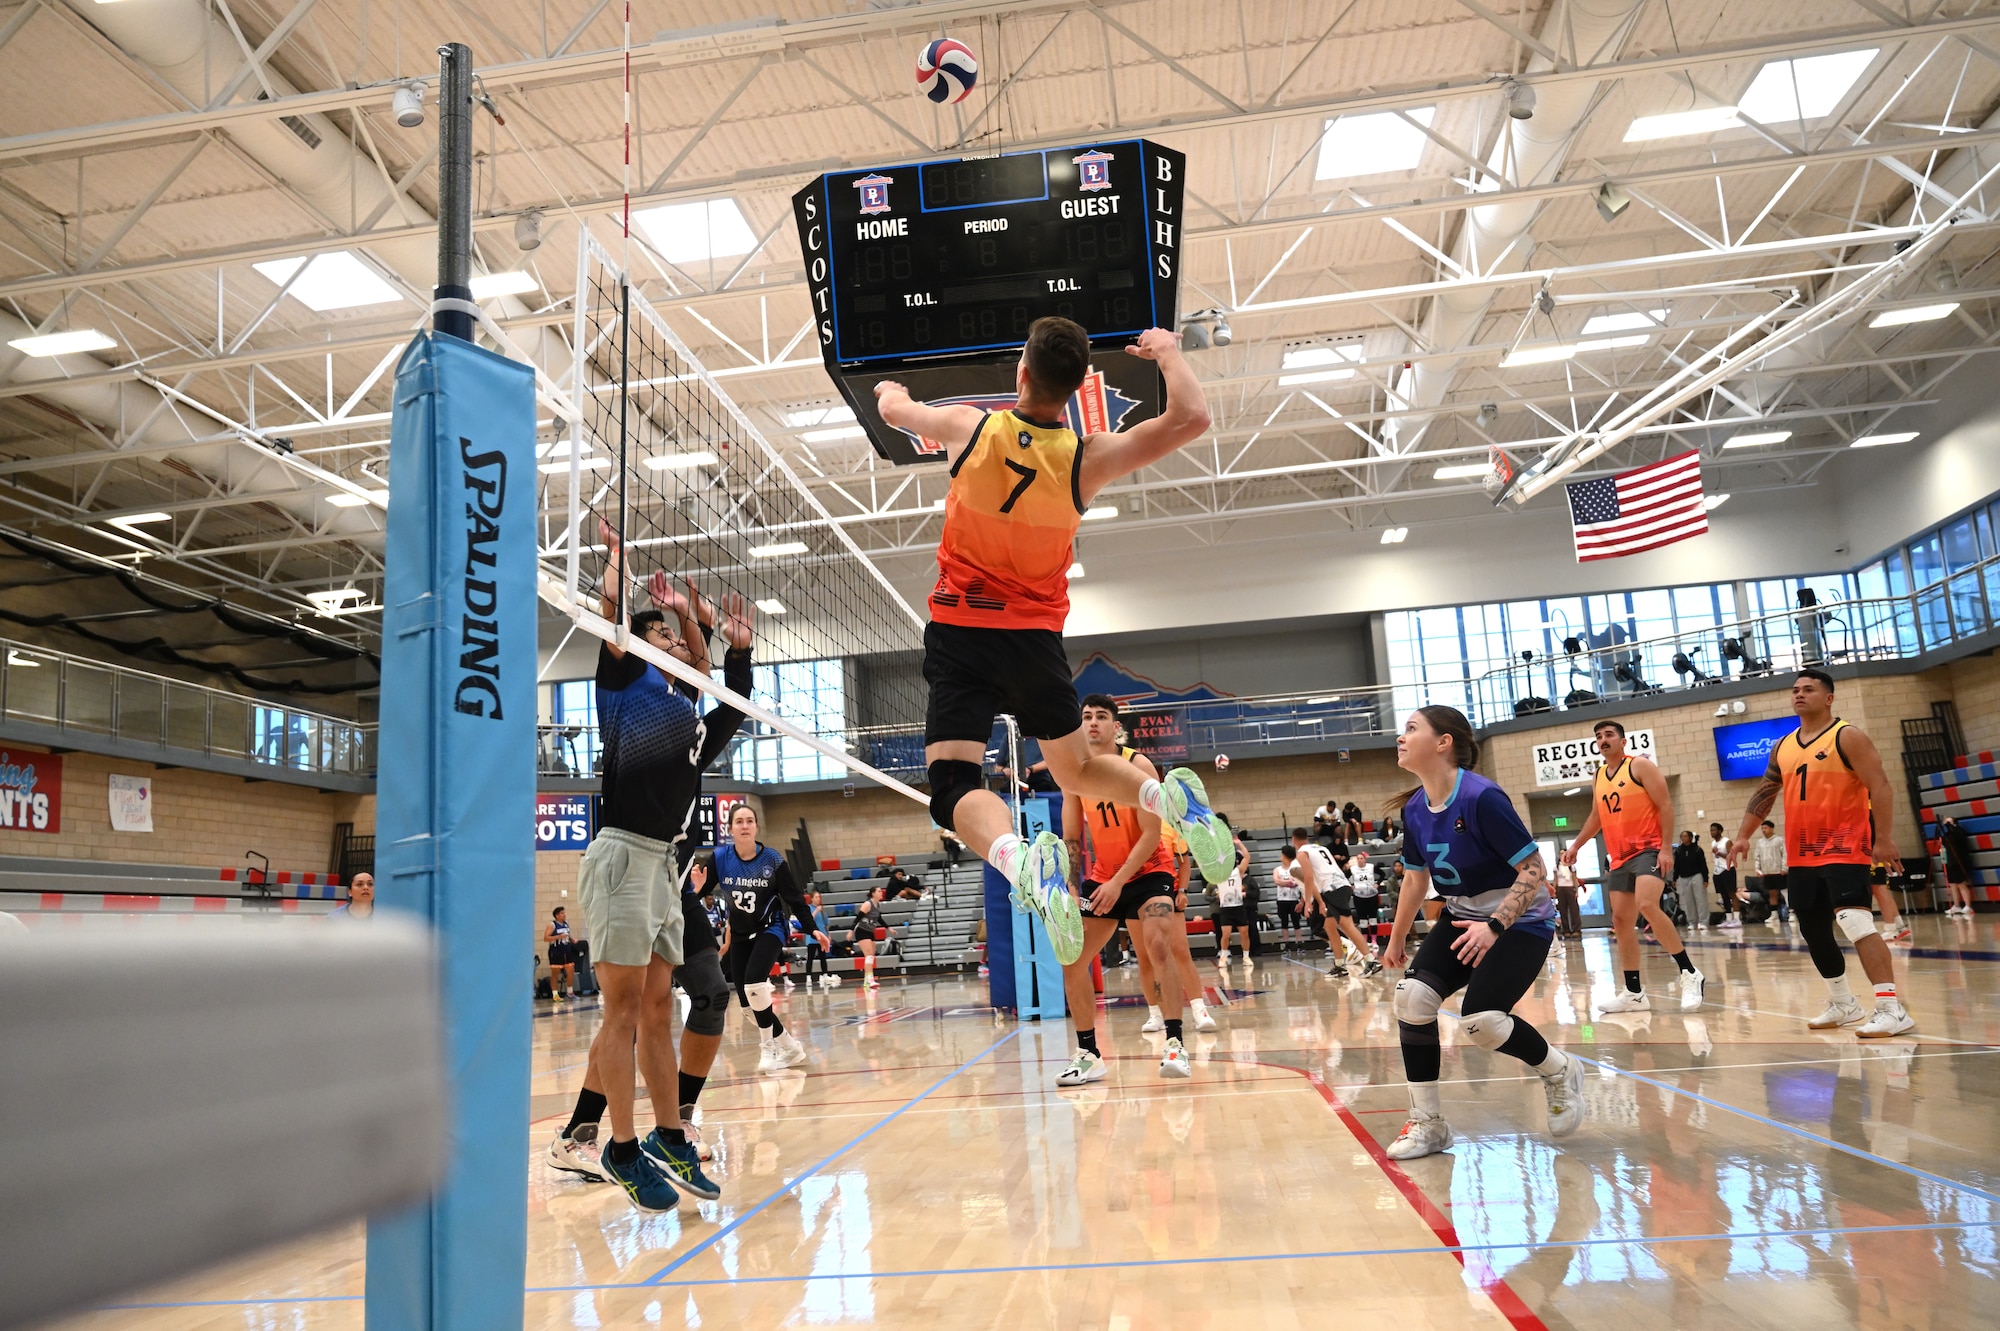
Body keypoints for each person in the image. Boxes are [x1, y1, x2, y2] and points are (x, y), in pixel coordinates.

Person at [874, 319, 1227, 966]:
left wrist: (890, 393)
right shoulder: (1087, 458)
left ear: (1021, 373)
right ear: (1078, 387)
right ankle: (1163, 796)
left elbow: (896, 412)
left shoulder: (969, 427)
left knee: (951, 786)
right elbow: (1192, 418)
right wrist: (1167, 353)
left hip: (962, 631)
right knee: (1079, 771)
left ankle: (1019, 860)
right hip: (1033, 639)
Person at [572, 522, 749, 1211]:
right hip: (622, 852)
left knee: (656, 1009)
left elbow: (720, 687)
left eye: (678, 639)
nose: (678, 645)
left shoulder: (686, 711)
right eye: (667, 637)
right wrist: (617, 560)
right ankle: (618, 1147)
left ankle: (668, 1135)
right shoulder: (626, 681)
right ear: (646, 645)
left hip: (663, 867)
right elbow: (612, 616)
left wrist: (729, 642)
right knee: (620, 1010)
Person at [1380, 705, 1583, 1160]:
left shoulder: (1481, 797)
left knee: (1482, 1022)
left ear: (1443, 742)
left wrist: (1494, 927)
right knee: (1411, 998)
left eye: (1411, 729)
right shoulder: (1415, 809)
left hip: (1522, 921)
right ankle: (1429, 1125)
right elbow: (1415, 879)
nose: (1401, 737)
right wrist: (1396, 938)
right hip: (1461, 915)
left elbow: (1534, 869)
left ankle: (1559, 1071)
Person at [1729, 669, 1914, 1038]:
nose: (1799, 694)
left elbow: (1880, 786)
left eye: (1809, 689)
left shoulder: (1847, 736)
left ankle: (1891, 1008)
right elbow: (1765, 792)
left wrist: (1884, 838)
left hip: (1845, 845)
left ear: (1829, 698)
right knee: (1813, 928)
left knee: (1855, 922)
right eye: (1795, 689)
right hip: (1802, 853)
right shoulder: (1782, 746)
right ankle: (1844, 1003)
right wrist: (1742, 836)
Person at [1055, 695, 1198, 1084]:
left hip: (1150, 871)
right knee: (1071, 958)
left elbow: (1152, 834)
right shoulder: (1073, 773)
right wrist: (1072, 886)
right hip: (1105, 876)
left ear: (1115, 727)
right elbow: (1072, 838)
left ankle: (1175, 1044)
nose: (1093, 722)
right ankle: (1089, 1054)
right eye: (1086, 716)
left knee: (1158, 946)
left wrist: (1119, 883)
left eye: (1101, 716)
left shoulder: (1139, 765)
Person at [1560, 721, 1705, 1013]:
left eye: (1609, 735)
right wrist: (1576, 846)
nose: (1603, 740)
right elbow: (1597, 816)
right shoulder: (1598, 775)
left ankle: (1689, 973)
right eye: (1599, 736)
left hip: (1648, 849)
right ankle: (1634, 993)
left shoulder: (1639, 766)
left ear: (1623, 741)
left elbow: (1665, 805)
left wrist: (1666, 848)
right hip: (1619, 856)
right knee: (1621, 921)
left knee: (1647, 904)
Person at [717, 804, 829, 1071]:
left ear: (756, 826)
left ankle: (769, 1049)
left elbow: (795, 899)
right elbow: (697, 887)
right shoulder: (721, 858)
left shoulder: (772, 860)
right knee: (749, 1008)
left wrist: (812, 928)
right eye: (739, 821)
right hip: (741, 934)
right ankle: (791, 1046)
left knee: (755, 985)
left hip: (771, 928)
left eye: (750, 821)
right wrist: (695, 889)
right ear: (730, 828)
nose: (745, 826)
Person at [1134, 820, 1218, 1035]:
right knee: (1144, 957)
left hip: (1165, 890)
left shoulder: (1169, 824)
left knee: (1180, 951)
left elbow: (1184, 862)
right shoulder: (1128, 822)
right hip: (1133, 891)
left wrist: (1182, 891)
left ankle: (1199, 1009)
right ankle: (1155, 1013)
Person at [1293, 829, 1383, 979]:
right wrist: (1321, 901)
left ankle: (1371, 961)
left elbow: (1308, 877)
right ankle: (1339, 965)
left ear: (1294, 840)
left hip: (1334, 888)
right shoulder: (1320, 848)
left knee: (1347, 925)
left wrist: (1308, 902)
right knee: (1329, 926)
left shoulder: (1302, 853)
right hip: (1341, 885)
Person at [1211, 855, 1252, 967]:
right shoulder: (1218, 874)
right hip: (1226, 907)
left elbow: (1247, 857)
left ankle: (1246, 957)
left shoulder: (1237, 871)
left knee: (1244, 933)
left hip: (1238, 906)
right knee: (1226, 934)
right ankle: (1223, 956)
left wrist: (1239, 845)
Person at [849, 884, 891, 989]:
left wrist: (888, 928)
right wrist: (851, 930)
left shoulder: (878, 905)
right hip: (862, 931)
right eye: (879, 891)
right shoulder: (868, 904)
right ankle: (870, 980)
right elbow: (858, 917)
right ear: (873, 893)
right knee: (868, 955)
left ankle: (867, 980)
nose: (881, 893)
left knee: (871, 956)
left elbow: (879, 918)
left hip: (870, 931)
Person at [1747, 818, 1787, 923]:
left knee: (1785, 893)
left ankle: (1791, 913)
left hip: (1779, 871)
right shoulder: (1760, 842)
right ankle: (1774, 915)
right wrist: (1758, 869)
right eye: (1762, 828)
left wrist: (1784, 867)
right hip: (1767, 872)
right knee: (1772, 893)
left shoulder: (1779, 840)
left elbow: (1785, 854)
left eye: (1765, 828)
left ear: (1772, 829)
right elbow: (1757, 856)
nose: (1764, 830)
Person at [1672, 831, 1711, 933]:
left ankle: (1703, 922)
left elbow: (1703, 865)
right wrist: (1674, 878)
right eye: (1682, 836)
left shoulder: (1697, 849)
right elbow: (1677, 865)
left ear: (1690, 837)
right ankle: (1692, 922)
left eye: (1685, 836)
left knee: (1700, 899)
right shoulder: (1678, 850)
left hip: (1697, 875)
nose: (1683, 838)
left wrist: (1705, 879)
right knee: (1688, 901)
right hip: (1684, 877)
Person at [1941, 816, 1977, 917]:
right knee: (1952, 884)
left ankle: (1968, 906)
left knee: (1961, 884)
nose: (1946, 824)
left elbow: (1959, 840)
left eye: (1948, 822)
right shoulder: (1947, 835)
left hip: (1959, 861)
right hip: (1950, 862)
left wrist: (1951, 827)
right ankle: (1956, 905)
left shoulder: (1959, 832)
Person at [1708, 823, 1739, 930]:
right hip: (1718, 871)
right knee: (1724, 895)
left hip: (1727, 869)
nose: (1712, 832)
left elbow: (1732, 856)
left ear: (1720, 831)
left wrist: (1718, 853)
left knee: (1732, 894)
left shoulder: (1726, 841)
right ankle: (1729, 919)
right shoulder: (1713, 843)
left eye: (1714, 830)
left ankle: (1737, 919)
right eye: (1711, 830)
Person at [1271, 848, 1304, 947]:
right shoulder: (1277, 869)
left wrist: (1283, 882)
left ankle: (1299, 943)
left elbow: (1299, 882)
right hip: (1282, 900)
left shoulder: (1295, 869)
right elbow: (1277, 881)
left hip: (1294, 899)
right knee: (1284, 922)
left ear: (1285, 856)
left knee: (1296, 922)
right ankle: (1286, 944)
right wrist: (1289, 881)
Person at [803, 889, 836, 987]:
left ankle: (825, 975)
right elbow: (809, 920)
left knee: (823, 957)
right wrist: (816, 910)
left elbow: (825, 924)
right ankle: (808, 977)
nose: (818, 899)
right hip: (812, 937)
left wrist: (828, 934)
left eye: (819, 897)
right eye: (816, 897)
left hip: (822, 936)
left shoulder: (822, 909)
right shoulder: (809, 908)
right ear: (811, 899)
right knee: (810, 957)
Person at [544, 906, 578, 999]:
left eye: (564, 913)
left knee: (571, 970)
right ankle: (555, 994)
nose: (564, 915)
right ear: (557, 915)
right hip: (556, 951)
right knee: (555, 973)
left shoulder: (566, 923)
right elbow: (546, 938)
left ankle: (570, 992)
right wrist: (558, 937)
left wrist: (572, 940)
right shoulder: (552, 925)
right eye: (562, 913)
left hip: (566, 949)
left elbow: (567, 935)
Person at [1550, 857, 1583, 940]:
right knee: (1563, 910)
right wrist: (1554, 890)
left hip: (1570, 888)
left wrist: (1576, 891)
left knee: (1574, 910)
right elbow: (1555, 880)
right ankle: (1566, 930)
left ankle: (1576, 930)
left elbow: (1574, 879)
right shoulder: (1556, 867)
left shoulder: (1571, 866)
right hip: (1560, 889)